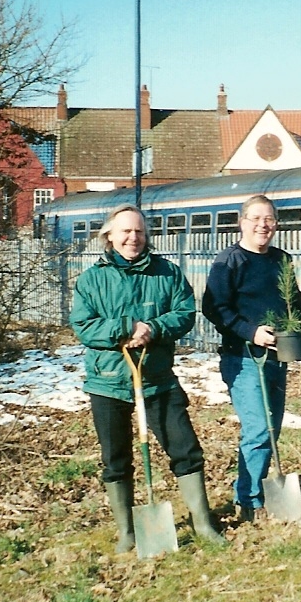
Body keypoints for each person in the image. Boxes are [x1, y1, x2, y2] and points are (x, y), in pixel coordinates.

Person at [70, 204, 226, 551]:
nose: (133, 238)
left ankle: (202, 523)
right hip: (108, 381)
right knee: (116, 458)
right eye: (125, 231)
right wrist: (125, 328)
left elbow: (185, 312)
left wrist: (153, 329)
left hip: (157, 378)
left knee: (185, 449)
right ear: (109, 235)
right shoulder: (92, 279)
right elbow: (83, 325)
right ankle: (127, 532)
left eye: (139, 231)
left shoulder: (166, 273)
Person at [202, 196, 301, 523]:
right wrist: (251, 332)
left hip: (278, 357)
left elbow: (295, 302)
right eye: (255, 219)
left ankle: (254, 491)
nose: (262, 225)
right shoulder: (230, 261)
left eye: (269, 219)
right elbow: (214, 308)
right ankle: (248, 500)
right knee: (258, 429)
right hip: (243, 358)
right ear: (242, 222)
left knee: (272, 429)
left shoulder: (281, 260)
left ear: (276, 224)